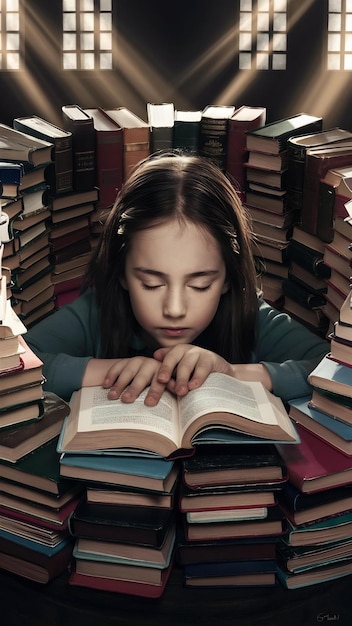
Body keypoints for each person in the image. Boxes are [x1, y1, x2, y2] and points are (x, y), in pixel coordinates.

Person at [26, 152, 329, 405]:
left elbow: (335, 370)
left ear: (227, 277)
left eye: (200, 285)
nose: (174, 309)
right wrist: (115, 371)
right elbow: (16, 366)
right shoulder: (96, 311)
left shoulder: (250, 315)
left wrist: (233, 374)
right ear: (121, 273)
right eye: (151, 284)